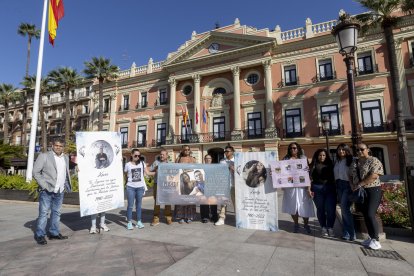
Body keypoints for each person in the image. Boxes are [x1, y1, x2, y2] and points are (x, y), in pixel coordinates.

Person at [33, 138, 72, 245]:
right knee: (44, 213)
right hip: (47, 190)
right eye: (56, 145)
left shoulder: (66, 157)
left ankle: (54, 233)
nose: (58, 147)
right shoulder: (44, 156)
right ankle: (40, 235)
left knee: (57, 212)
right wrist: (44, 186)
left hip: (60, 190)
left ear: (63, 147)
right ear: (52, 146)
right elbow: (36, 172)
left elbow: (65, 172)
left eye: (60, 146)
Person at [350, 143, 384, 250]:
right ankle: (370, 238)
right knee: (365, 215)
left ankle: (376, 240)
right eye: (357, 150)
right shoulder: (355, 162)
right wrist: (352, 185)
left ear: (367, 150)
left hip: (373, 190)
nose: (359, 151)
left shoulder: (374, 160)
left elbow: (374, 176)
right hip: (360, 191)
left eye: (362, 149)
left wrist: (360, 184)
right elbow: (350, 174)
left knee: (370, 214)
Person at [281, 142, 315, 233]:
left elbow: (308, 173)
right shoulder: (285, 159)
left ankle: (306, 224)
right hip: (290, 187)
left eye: (295, 148)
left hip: (302, 187)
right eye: (291, 148)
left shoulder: (303, 158)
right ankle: (296, 224)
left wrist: (309, 188)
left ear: (298, 149)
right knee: (292, 206)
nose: (293, 149)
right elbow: (281, 171)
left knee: (304, 206)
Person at [310, 149, 336, 237]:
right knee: (320, 209)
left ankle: (330, 227)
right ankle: (323, 227)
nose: (322, 157)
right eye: (320, 155)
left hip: (330, 188)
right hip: (317, 188)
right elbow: (308, 177)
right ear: (317, 156)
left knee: (331, 210)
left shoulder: (331, 164)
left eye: (324, 155)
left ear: (326, 156)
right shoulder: (313, 165)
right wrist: (309, 189)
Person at [124, 148, 150, 230]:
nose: (137, 157)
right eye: (136, 155)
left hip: (140, 187)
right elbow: (125, 174)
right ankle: (129, 222)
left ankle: (139, 221)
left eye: (139, 155)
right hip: (130, 187)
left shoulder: (142, 163)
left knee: (139, 206)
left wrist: (158, 171)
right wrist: (127, 182)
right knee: (130, 206)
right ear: (131, 155)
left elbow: (148, 173)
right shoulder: (127, 164)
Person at [334, 143, 355, 241]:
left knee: (345, 209)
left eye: (343, 149)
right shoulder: (337, 161)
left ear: (347, 150)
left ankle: (351, 234)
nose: (341, 151)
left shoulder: (351, 160)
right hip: (338, 185)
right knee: (344, 210)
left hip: (347, 185)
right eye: (339, 150)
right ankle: (346, 233)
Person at [150, 149, 172, 226]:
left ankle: (168, 217)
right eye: (161, 154)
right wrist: (155, 169)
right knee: (157, 201)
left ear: (167, 155)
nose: (161, 156)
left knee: (168, 201)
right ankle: (156, 219)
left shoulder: (170, 164)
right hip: (157, 184)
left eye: (163, 154)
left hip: (167, 184)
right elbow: (150, 171)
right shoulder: (156, 162)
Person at [175, 145, 197, 223]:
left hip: (190, 179)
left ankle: (190, 216)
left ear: (190, 150)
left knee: (190, 200)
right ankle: (181, 217)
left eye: (188, 149)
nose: (187, 151)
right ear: (183, 150)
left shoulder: (193, 159)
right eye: (185, 150)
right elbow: (175, 169)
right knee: (181, 200)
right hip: (181, 181)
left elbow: (196, 169)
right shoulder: (179, 159)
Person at [215, 145, 235, 226]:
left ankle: (239, 218)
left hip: (235, 184)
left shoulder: (238, 160)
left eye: (227, 151)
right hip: (225, 184)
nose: (226, 153)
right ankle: (222, 218)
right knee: (223, 202)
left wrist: (234, 168)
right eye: (225, 151)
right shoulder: (222, 161)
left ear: (232, 152)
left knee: (236, 201)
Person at [200, 154, 218, 223]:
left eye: (209, 158)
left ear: (211, 159)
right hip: (203, 187)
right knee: (204, 202)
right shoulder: (201, 167)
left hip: (213, 186)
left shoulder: (215, 167)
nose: (208, 159)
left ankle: (214, 216)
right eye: (206, 158)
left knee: (213, 202)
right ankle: (205, 217)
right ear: (204, 160)